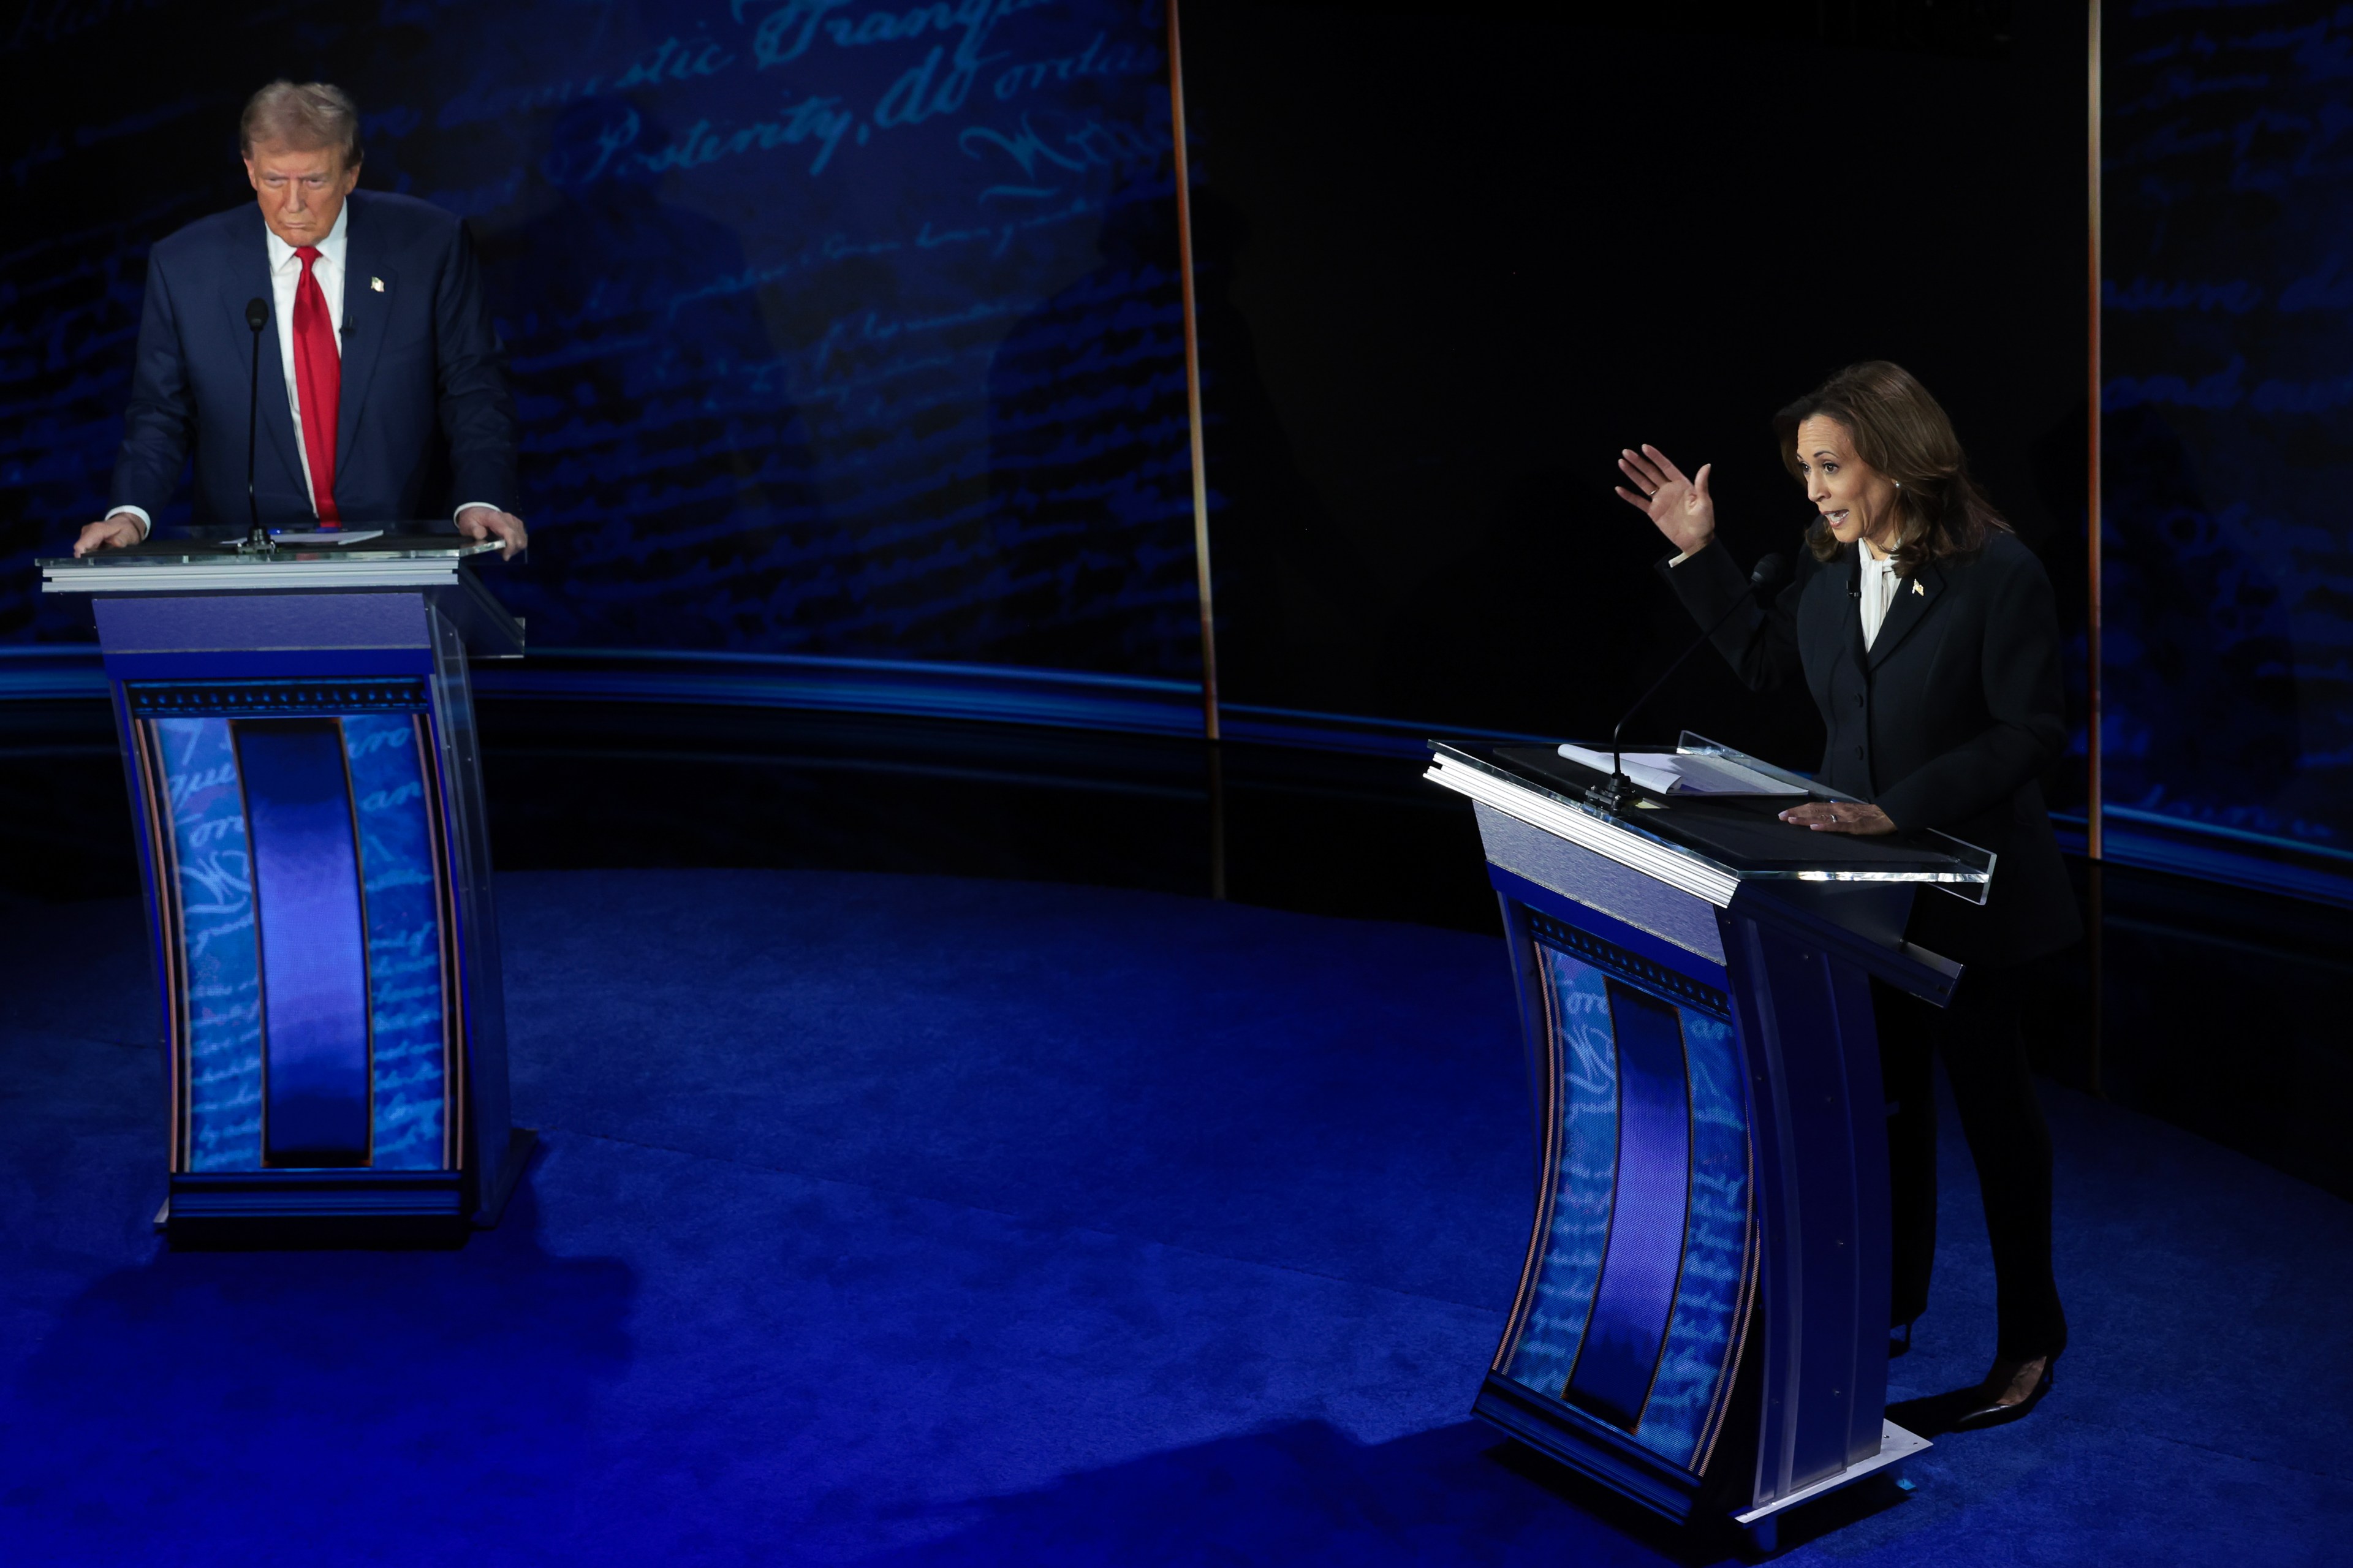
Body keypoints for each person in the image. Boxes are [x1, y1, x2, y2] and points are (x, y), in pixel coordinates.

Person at [1613, 360, 2078, 1430]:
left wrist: (1896, 807)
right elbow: (1768, 663)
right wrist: (1700, 548)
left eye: (1830, 464)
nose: (1816, 489)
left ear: (1898, 453)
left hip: (1973, 895)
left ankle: (2032, 1337)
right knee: (1885, 1105)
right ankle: (1891, 1300)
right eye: (1805, 470)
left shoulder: (1999, 574)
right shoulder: (1828, 571)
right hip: (1861, 899)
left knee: (1996, 1116)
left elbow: (2032, 729)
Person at [74, 80, 527, 558]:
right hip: (246, 562)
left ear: (352, 173)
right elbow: (160, 414)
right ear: (249, 169)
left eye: (314, 180)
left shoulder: (430, 246)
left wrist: (482, 496)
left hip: (405, 550)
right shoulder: (185, 268)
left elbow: (473, 388)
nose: (293, 203)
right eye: (274, 180)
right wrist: (130, 513)